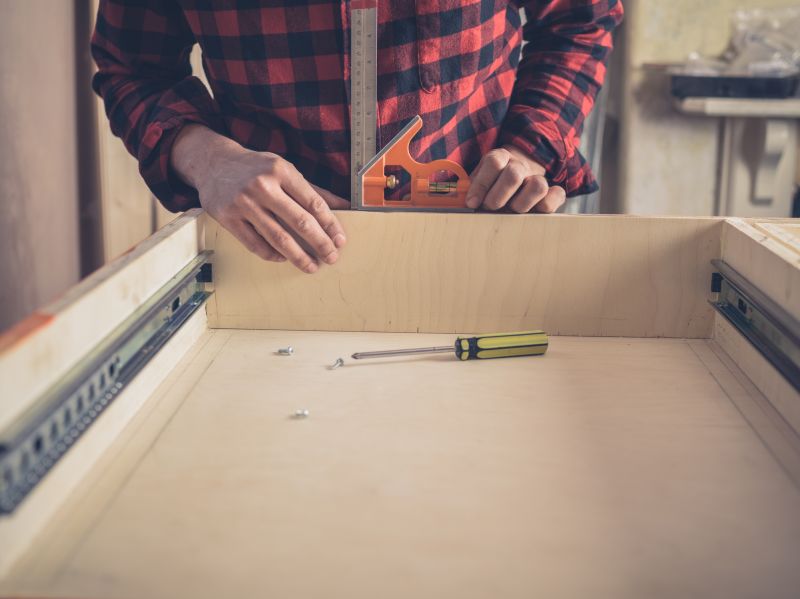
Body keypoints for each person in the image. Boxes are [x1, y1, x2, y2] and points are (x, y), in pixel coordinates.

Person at [92, 1, 623, 274]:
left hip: (483, 241)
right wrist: (209, 160)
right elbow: (132, 68)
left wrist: (531, 146)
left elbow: (581, 18)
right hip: (272, 254)